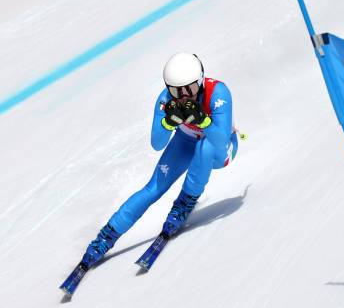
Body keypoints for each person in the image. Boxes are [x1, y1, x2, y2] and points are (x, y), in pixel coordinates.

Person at [78, 52, 240, 269]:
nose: (183, 97)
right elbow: (157, 143)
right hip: (185, 141)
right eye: (176, 91)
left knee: (205, 147)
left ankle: (184, 202)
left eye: (189, 90)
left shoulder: (218, 92)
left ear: (200, 82)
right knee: (153, 188)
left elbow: (220, 141)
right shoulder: (165, 100)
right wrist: (167, 123)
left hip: (220, 148)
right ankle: (107, 236)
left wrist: (204, 121)